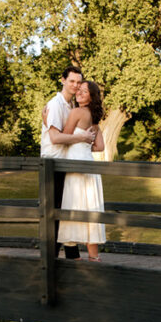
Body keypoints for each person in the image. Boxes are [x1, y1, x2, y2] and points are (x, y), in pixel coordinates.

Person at [41, 65, 95, 258]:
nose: (75, 85)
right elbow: (55, 138)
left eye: (78, 82)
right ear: (63, 80)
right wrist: (82, 138)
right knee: (55, 215)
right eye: (71, 81)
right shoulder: (56, 105)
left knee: (65, 213)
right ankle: (50, 261)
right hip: (53, 164)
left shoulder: (72, 106)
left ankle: (73, 257)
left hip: (66, 163)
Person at [57, 81, 106, 260]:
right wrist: (84, 145)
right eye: (79, 90)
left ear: (91, 97)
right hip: (89, 166)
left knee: (73, 207)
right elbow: (100, 146)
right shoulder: (94, 118)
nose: (79, 93)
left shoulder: (77, 112)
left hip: (75, 166)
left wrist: (47, 120)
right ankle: (94, 258)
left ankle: (74, 259)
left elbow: (64, 137)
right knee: (89, 208)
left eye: (85, 91)